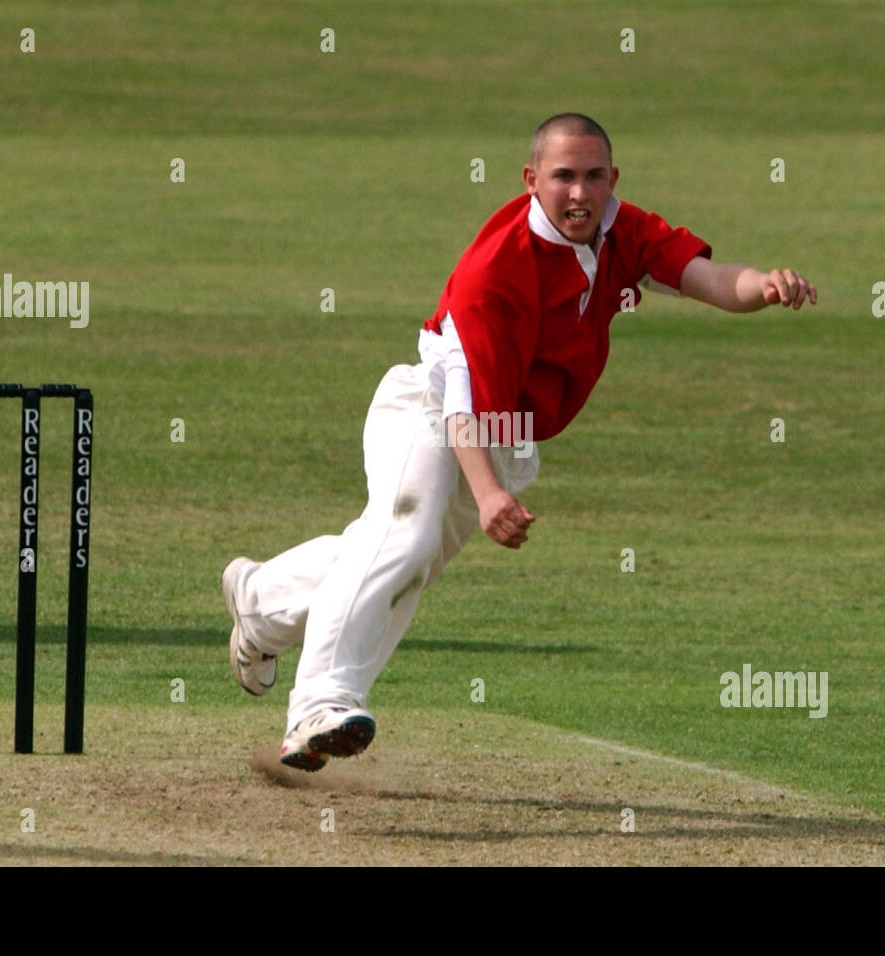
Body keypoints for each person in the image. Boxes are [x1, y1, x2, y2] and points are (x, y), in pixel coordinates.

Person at [221, 113, 818, 771]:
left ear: (613, 179)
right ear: (532, 181)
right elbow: (461, 403)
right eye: (563, 177)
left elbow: (704, 276)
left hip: (501, 433)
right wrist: (488, 494)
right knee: (405, 537)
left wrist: (761, 286)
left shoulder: (624, 228)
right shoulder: (497, 269)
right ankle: (319, 706)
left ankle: (263, 603)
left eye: (594, 177)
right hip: (430, 411)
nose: (580, 194)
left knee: (398, 563)